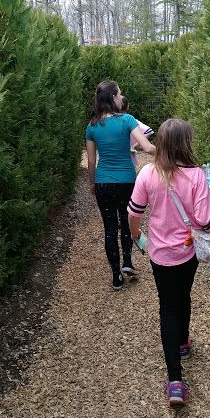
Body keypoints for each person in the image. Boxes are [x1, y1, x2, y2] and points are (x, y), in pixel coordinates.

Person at [127, 118, 210, 406]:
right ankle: (183, 343)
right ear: (185, 143)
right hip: (187, 252)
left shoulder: (147, 173)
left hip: (160, 254)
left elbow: (134, 212)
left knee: (168, 306)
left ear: (162, 143)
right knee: (184, 296)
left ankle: (175, 382)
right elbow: (204, 220)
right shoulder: (197, 176)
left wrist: (136, 235)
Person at [86, 80, 156, 291]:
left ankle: (116, 275)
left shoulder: (92, 126)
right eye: (119, 94)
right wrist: (168, 152)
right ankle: (127, 262)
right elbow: (146, 146)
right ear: (113, 98)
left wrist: (92, 183)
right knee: (126, 223)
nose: (121, 97)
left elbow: (91, 161)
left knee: (109, 227)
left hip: (103, 182)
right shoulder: (127, 120)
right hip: (127, 181)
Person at [120, 97, 154, 167]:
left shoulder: (110, 122)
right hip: (130, 160)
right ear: (128, 107)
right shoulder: (131, 121)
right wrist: (137, 144)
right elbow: (148, 131)